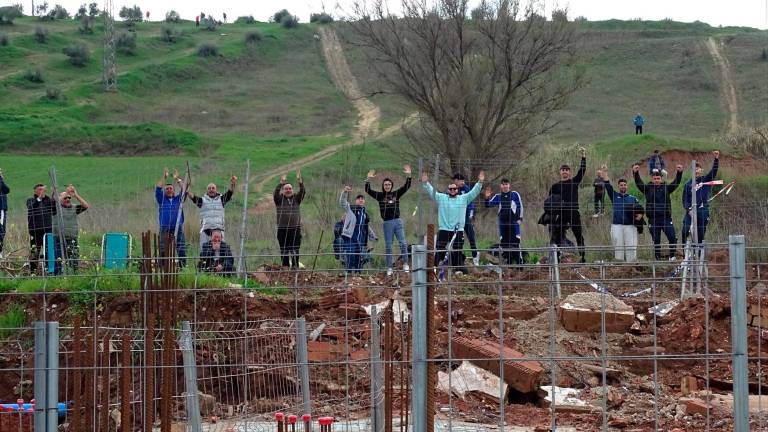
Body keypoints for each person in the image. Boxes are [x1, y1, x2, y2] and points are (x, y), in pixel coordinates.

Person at [421, 170, 485, 273]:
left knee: (457, 251)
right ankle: (432, 270)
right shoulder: (442, 198)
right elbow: (432, 192)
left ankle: (459, 269)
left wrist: (480, 182)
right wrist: (426, 183)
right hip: (444, 229)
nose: (452, 190)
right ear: (448, 190)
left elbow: (474, 193)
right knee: (440, 250)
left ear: (457, 190)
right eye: (450, 189)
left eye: (454, 189)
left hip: (458, 231)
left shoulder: (463, 199)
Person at [365, 165, 411, 276]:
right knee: (389, 245)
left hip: (397, 221)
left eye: (389, 184)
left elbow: (407, 186)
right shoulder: (379, 196)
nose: (387, 186)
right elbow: (367, 190)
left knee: (403, 243)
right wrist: (368, 178)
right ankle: (389, 267)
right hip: (387, 223)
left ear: (392, 185)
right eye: (385, 184)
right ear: (383, 186)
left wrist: (408, 175)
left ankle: (405, 264)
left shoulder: (396, 194)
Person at [633, 163, 683, 260]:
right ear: (652, 179)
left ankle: (672, 256)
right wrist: (635, 173)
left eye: (658, 179)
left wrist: (679, 173)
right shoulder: (647, 189)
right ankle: (657, 258)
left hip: (666, 218)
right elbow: (639, 184)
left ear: (661, 179)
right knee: (656, 240)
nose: (656, 180)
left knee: (672, 237)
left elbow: (675, 183)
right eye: (655, 179)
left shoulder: (666, 188)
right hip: (653, 219)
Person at [547, 148, 587, 263]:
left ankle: (582, 257)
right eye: (563, 170)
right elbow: (549, 202)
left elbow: (582, 171)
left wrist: (583, 157)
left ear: (569, 172)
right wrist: (551, 215)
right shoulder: (555, 187)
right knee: (556, 235)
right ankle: (557, 258)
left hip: (573, 212)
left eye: (567, 170)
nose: (564, 172)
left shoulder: (574, 182)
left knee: (578, 234)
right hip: (561, 213)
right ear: (560, 172)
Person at [682, 151, 720, 245]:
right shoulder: (687, 184)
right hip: (690, 212)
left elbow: (713, 172)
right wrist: (689, 209)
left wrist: (716, 159)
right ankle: (686, 256)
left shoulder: (705, 180)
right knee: (685, 231)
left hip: (703, 211)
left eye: (698, 169)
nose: (696, 171)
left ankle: (698, 255)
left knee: (700, 235)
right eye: (694, 169)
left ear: (701, 170)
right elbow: (685, 200)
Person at [187, 176, 236, 247]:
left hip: (219, 231)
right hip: (206, 231)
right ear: (207, 191)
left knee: (220, 254)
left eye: (213, 188)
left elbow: (230, 192)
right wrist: (185, 186)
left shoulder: (222, 199)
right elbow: (192, 196)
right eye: (209, 188)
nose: (211, 190)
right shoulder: (202, 201)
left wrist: (233, 183)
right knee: (204, 254)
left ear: (216, 190)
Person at [601, 173, 641, 262]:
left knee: (631, 246)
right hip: (617, 225)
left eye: (624, 185)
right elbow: (608, 186)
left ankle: (632, 265)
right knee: (618, 247)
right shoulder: (614, 196)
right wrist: (605, 174)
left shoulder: (633, 198)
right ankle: (619, 266)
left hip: (630, 226)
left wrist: (639, 216)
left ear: (627, 186)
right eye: (621, 185)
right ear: (618, 186)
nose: (623, 186)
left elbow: (640, 211)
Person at [484, 179, 523, 265]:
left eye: (506, 184)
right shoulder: (498, 196)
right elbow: (488, 205)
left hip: (513, 223)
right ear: (500, 186)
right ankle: (508, 266)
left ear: (509, 185)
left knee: (516, 244)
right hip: (503, 224)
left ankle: (519, 265)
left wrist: (520, 218)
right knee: (505, 245)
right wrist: (487, 198)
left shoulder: (515, 194)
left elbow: (520, 206)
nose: (505, 186)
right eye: (503, 184)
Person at [52, 186, 89, 274]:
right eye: (65, 198)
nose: (68, 199)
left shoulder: (74, 208)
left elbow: (86, 206)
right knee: (58, 260)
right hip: (58, 238)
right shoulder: (55, 208)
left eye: (69, 197)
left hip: (72, 238)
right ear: (60, 199)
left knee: (74, 259)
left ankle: (74, 276)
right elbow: (52, 201)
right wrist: (53, 192)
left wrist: (76, 195)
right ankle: (57, 277)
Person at [340, 186, 376, 274]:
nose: (361, 200)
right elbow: (342, 202)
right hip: (350, 238)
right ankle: (348, 273)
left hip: (361, 240)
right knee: (350, 256)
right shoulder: (350, 209)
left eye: (362, 199)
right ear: (356, 201)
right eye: (359, 199)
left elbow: (366, 226)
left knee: (359, 259)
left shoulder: (365, 214)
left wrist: (373, 236)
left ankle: (357, 276)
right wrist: (344, 192)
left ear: (364, 201)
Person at [155, 168, 187, 266]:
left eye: (171, 189)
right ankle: (162, 267)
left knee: (181, 248)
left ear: (174, 190)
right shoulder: (162, 200)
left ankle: (182, 267)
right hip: (164, 227)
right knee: (163, 248)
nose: (169, 190)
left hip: (178, 227)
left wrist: (177, 179)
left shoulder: (179, 199)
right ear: (165, 191)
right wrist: (164, 177)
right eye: (167, 189)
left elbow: (184, 189)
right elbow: (157, 188)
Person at [274, 171, 305, 268]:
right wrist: (281, 183)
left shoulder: (296, 198)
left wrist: (300, 182)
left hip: (295, 229)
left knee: (295, 249)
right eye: (286, 189)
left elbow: (303, 192)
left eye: (290, 189)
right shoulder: (279, 199)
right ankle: (285, 267)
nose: (288, 190)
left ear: (292, 190)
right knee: (284, 249)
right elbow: (275, 193)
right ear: (283, 190)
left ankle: (295, 267)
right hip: (282, 229)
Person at [26, 183, 56, 273]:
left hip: (48, 230)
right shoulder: (30, 200)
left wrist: (54, 194)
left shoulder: (48, 200)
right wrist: (39, 198)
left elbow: (54, 211)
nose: (42, 192)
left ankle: (49, 271)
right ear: (35, 191)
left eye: (43, 190)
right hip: (35, 231)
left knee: (48, 251)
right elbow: (32, 207)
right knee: (35, 252)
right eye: (39, 190)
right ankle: (33, 272)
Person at [453, 173, 480, 265]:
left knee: (471, 237)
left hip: (466, 217)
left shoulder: (466, 188)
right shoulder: (452, 189)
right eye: (461, 181)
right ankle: (457, 258)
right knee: (457, 239)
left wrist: (471, 211)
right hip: (455, 219)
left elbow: (471, 199)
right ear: (456, 181)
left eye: (464, 181)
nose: (463, 183)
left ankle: (475, 256)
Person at [0, 168, 9, 258]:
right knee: (1, 230)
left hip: (3, 208)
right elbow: (7, 190)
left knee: (2, 231)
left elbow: (6, 190)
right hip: (0, 209)